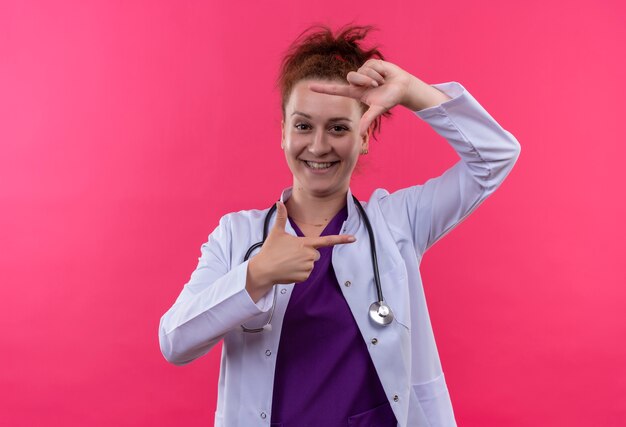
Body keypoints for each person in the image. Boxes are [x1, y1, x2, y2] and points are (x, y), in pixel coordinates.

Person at [159, 24, 521, 427]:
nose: (318, 146)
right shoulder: (236, 237)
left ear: (365, 136)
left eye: (338, 127)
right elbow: (175, 342)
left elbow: (496, 156)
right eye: (302, 126)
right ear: (282, 132)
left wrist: (412, 91)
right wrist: (257, 274)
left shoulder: (397, 223)